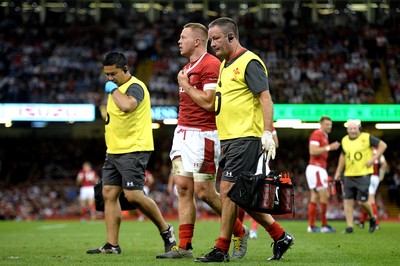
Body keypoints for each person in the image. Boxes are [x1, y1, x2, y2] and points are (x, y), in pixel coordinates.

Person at [195, 17, 294, 263]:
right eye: (210, 40)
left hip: (246, 138)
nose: (212, 44)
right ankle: (280, 236)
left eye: (216, 38)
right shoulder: (225, 66)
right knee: (242, 196)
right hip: (229, 139)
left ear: (231, 37)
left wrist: (269, 131)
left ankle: (221, 249)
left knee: (227, 192)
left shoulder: (249, 62)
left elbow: (265, 98)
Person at [156, 22, 249, 260]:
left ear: (197, 41)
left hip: (204, 137)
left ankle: (239, 230)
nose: (179, 41)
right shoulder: (188, 66)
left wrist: (185, 85)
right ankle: (184, 246)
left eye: (183, 37)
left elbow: (209, 102)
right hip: (182, 135)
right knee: (183, 188)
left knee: (205, 192)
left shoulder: (211, 65)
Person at [86, 52, 176, 255]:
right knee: (108, 193)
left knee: (134, 195)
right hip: (115, 150)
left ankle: (166, 230)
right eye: (106, 75)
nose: (109, 78)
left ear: (125, 69)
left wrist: (114, 90)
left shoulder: (135, 87)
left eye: (113, 74)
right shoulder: (116, 89)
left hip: (134, 149)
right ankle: (112, 245)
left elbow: (127, 106)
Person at [333, 119, 387, 234]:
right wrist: (338, 172)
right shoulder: (345, 140)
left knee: (362, 202)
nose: (353, 131)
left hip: (363, 174)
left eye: (355, 128)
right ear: (347, 130)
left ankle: (372, 217)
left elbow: (383, 145)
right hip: (348, 174)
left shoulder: (366, 137)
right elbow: (343, 156)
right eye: (350, 129)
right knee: (347, 201)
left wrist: (373, 158)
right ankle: (349, 226)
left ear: (359, 128)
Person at [305, 116, 341, 233]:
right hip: (316, 169)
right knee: (324, 195)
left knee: (315, 197)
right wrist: (329, 147)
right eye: (327, 124)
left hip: (319, 169)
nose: (329, 126)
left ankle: (312, 226)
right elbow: (312, 151)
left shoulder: (324, 136)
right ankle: (323, 225)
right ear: (321, 124)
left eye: (330, 124)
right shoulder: (317, 134)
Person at [357, 147, 388, 230]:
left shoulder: (365, 150)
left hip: (368, 177)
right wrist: (380, 176)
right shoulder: (378, 151)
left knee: (370, 201)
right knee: (366, 201)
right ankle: (362, 222)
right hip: (376, 178)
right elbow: (384, 164)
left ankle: (376, 223)